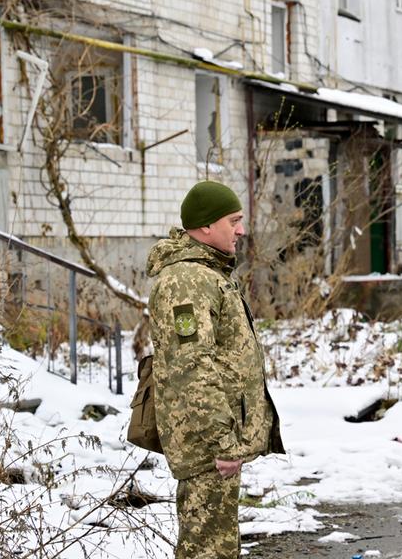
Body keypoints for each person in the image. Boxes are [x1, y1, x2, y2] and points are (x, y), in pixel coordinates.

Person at [146, 181, 284, 559]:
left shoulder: (208, 274)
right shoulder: (187, 281)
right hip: (207, 442)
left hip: (214, 437)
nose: (241, 230)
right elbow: (191, 366)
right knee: (208, 550)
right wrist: (222, 441)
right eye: (233, 221)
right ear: (206, 226)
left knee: (216, 545)